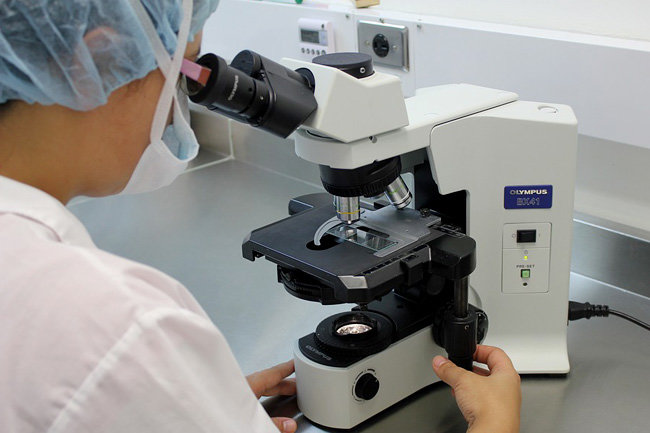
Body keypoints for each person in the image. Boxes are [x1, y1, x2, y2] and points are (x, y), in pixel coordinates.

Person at [0, 1, 521, 432]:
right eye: (184, 71)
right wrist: (497, 424)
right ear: (94, 61)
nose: (181, 101)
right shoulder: (123, 331)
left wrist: (203, 410)